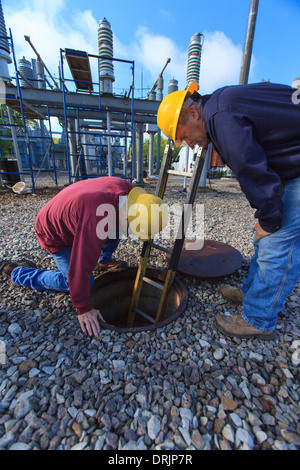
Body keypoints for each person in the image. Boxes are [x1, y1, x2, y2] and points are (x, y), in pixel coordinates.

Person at [157, 80, 300, 340]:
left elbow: (250, 167)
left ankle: (258, 318)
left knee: (278, 241)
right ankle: (253, 291)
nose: (188, 144)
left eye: (184, 135)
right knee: (268, 235)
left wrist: (269, 219)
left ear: (192, 113)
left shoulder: (220, 116)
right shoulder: (219, 107)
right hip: (293, 165)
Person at [0, 176, 168, 337]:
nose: (133, 233)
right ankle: (18, 272)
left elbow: (114, 221)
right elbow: (79, 267)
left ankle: (104, 260)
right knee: (77, 282)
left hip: (78, 214)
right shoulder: (96, 221)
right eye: (135, 229)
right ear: (128, 217)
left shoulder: (127, 192)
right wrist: (83, 308)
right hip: (54, 231)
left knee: (118, 229)